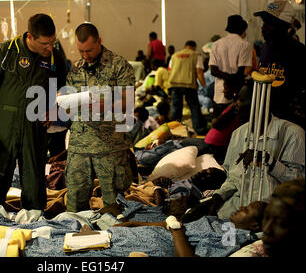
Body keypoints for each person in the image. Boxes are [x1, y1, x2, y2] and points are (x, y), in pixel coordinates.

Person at [0, 14, 67, 210]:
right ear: (30, 37)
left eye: (52, 42)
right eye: (44, 43)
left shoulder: (55, 59)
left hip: (35, 131)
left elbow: (64, 89)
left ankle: (33, 230)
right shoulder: (6, 53)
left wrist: (54, 108)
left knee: (35, 186)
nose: (49, 47)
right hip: (3, 130)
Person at [181, 91, 305, 222]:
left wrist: (270, 162)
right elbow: (233, 179)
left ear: (260, 103)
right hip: (234, 212)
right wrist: (216, 199)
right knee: (184, 224)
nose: (236, 105)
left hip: (270, 217)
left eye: (241, 99)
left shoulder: (293, 134)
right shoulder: (239, 134)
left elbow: (299, 183)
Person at [64, 22, 135, 213]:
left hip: (110, 145)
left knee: (115, 205)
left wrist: (104, 105)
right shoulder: (76, 70)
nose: (85, 56)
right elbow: (69, 106)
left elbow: (128, 103)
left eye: (89, 50)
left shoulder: (118, 65)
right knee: (75, 202)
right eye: (81, 51)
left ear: (99, 42)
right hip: (80, 144)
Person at [114, 200, 267, 257]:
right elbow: (173, 225)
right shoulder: (224, 223)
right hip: (146, 234)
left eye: (246, 209)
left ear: (254, 225)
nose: (240, 207)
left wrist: (176, 229)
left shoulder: (231, 238)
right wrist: (135, 224)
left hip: (152, 245)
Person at [254, 0, 306, 130]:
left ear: (283, 26)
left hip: (289, 125)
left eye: (269, 23)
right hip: (265, 120)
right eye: (263, 22)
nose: (263, 27)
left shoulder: (298, 51)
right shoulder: (265, 47)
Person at [209, 15, 252, 118]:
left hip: (219, 93)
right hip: (236, 94)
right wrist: (231, 82)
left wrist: (226, 80)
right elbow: (241, 72)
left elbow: (213, 71)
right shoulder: (245, 45)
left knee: (219, 127)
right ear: (242, 29)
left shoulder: (216, 44)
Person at [167, 40, 208, 135]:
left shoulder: (174, 56)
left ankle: (174, 131)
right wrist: (204, 86)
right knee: (194, 107)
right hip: (188, 84)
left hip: (174, 84)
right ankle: (199, 130)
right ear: (194, 47)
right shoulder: (196, 55)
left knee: (176, 108)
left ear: (185, 46)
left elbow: (169, 71)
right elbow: (199, 72)